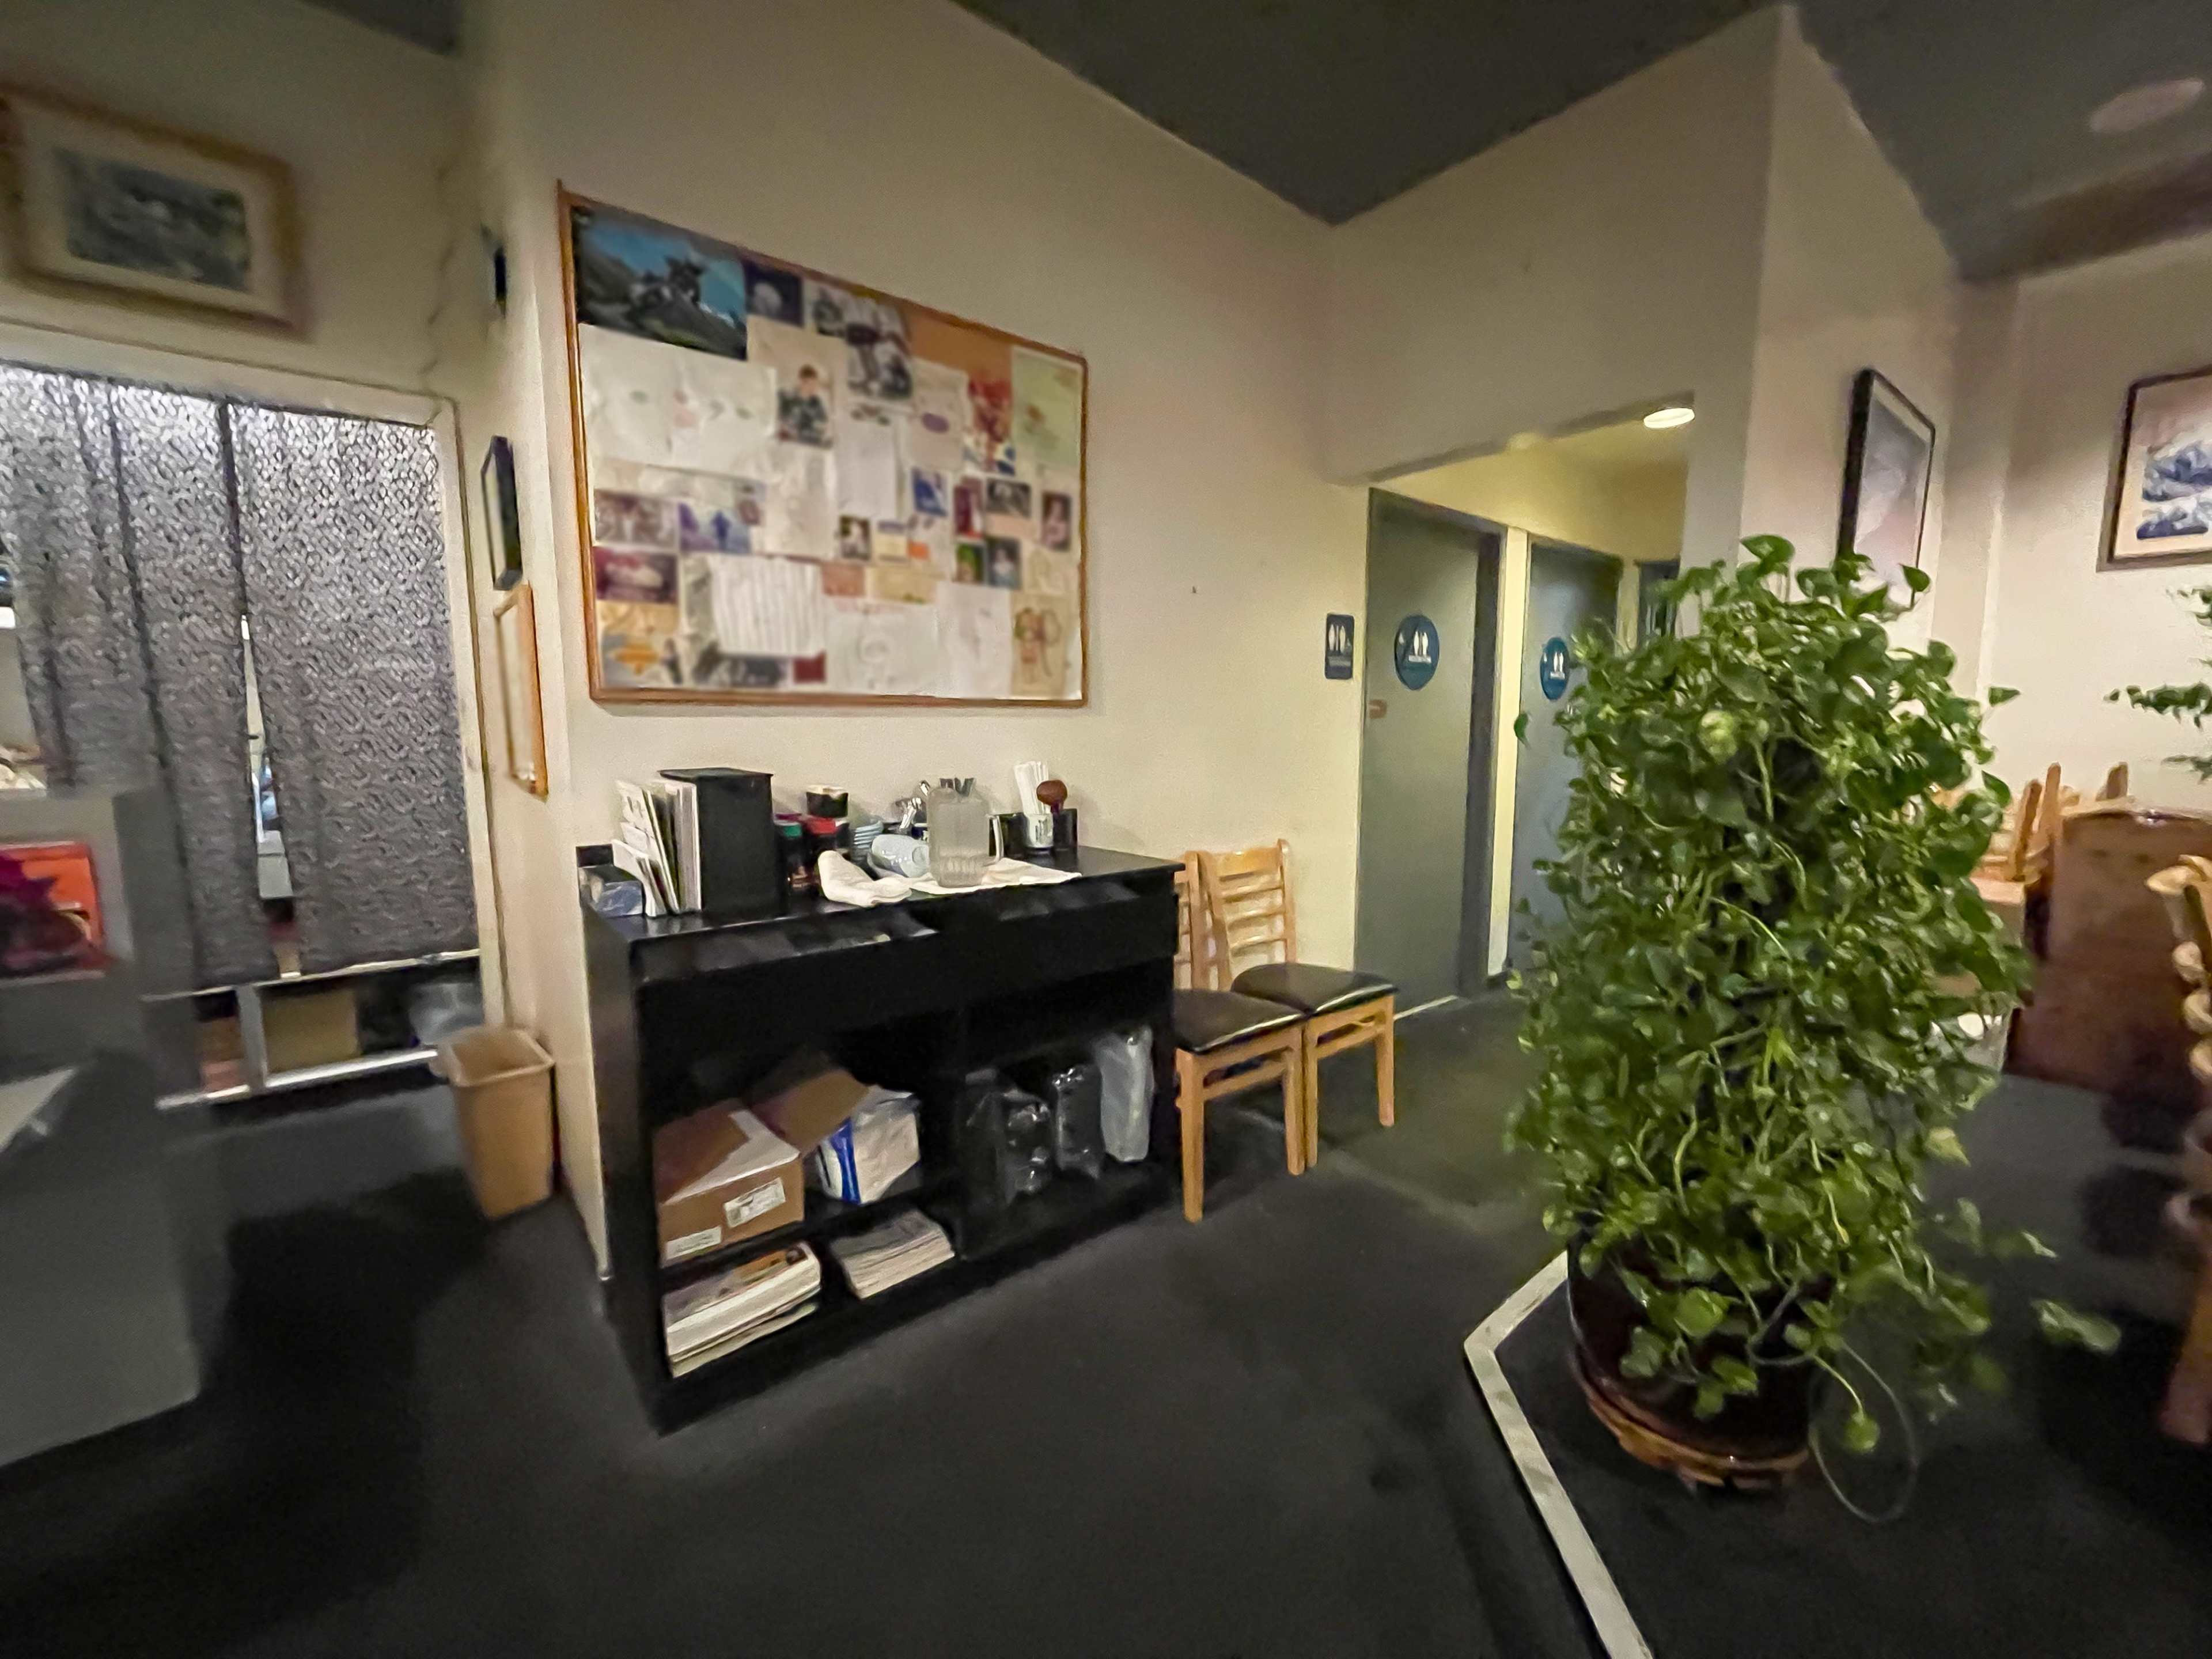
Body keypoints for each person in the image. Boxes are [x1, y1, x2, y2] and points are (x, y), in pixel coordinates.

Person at [779, 363, 831, 446]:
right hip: (788, 445)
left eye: (815, 384)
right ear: (802, 382)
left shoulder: (816, 402)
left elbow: (823, 425)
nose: (814, 388)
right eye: (811, 384)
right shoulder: (787, 398)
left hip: (809, 445)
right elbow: (782, 423)